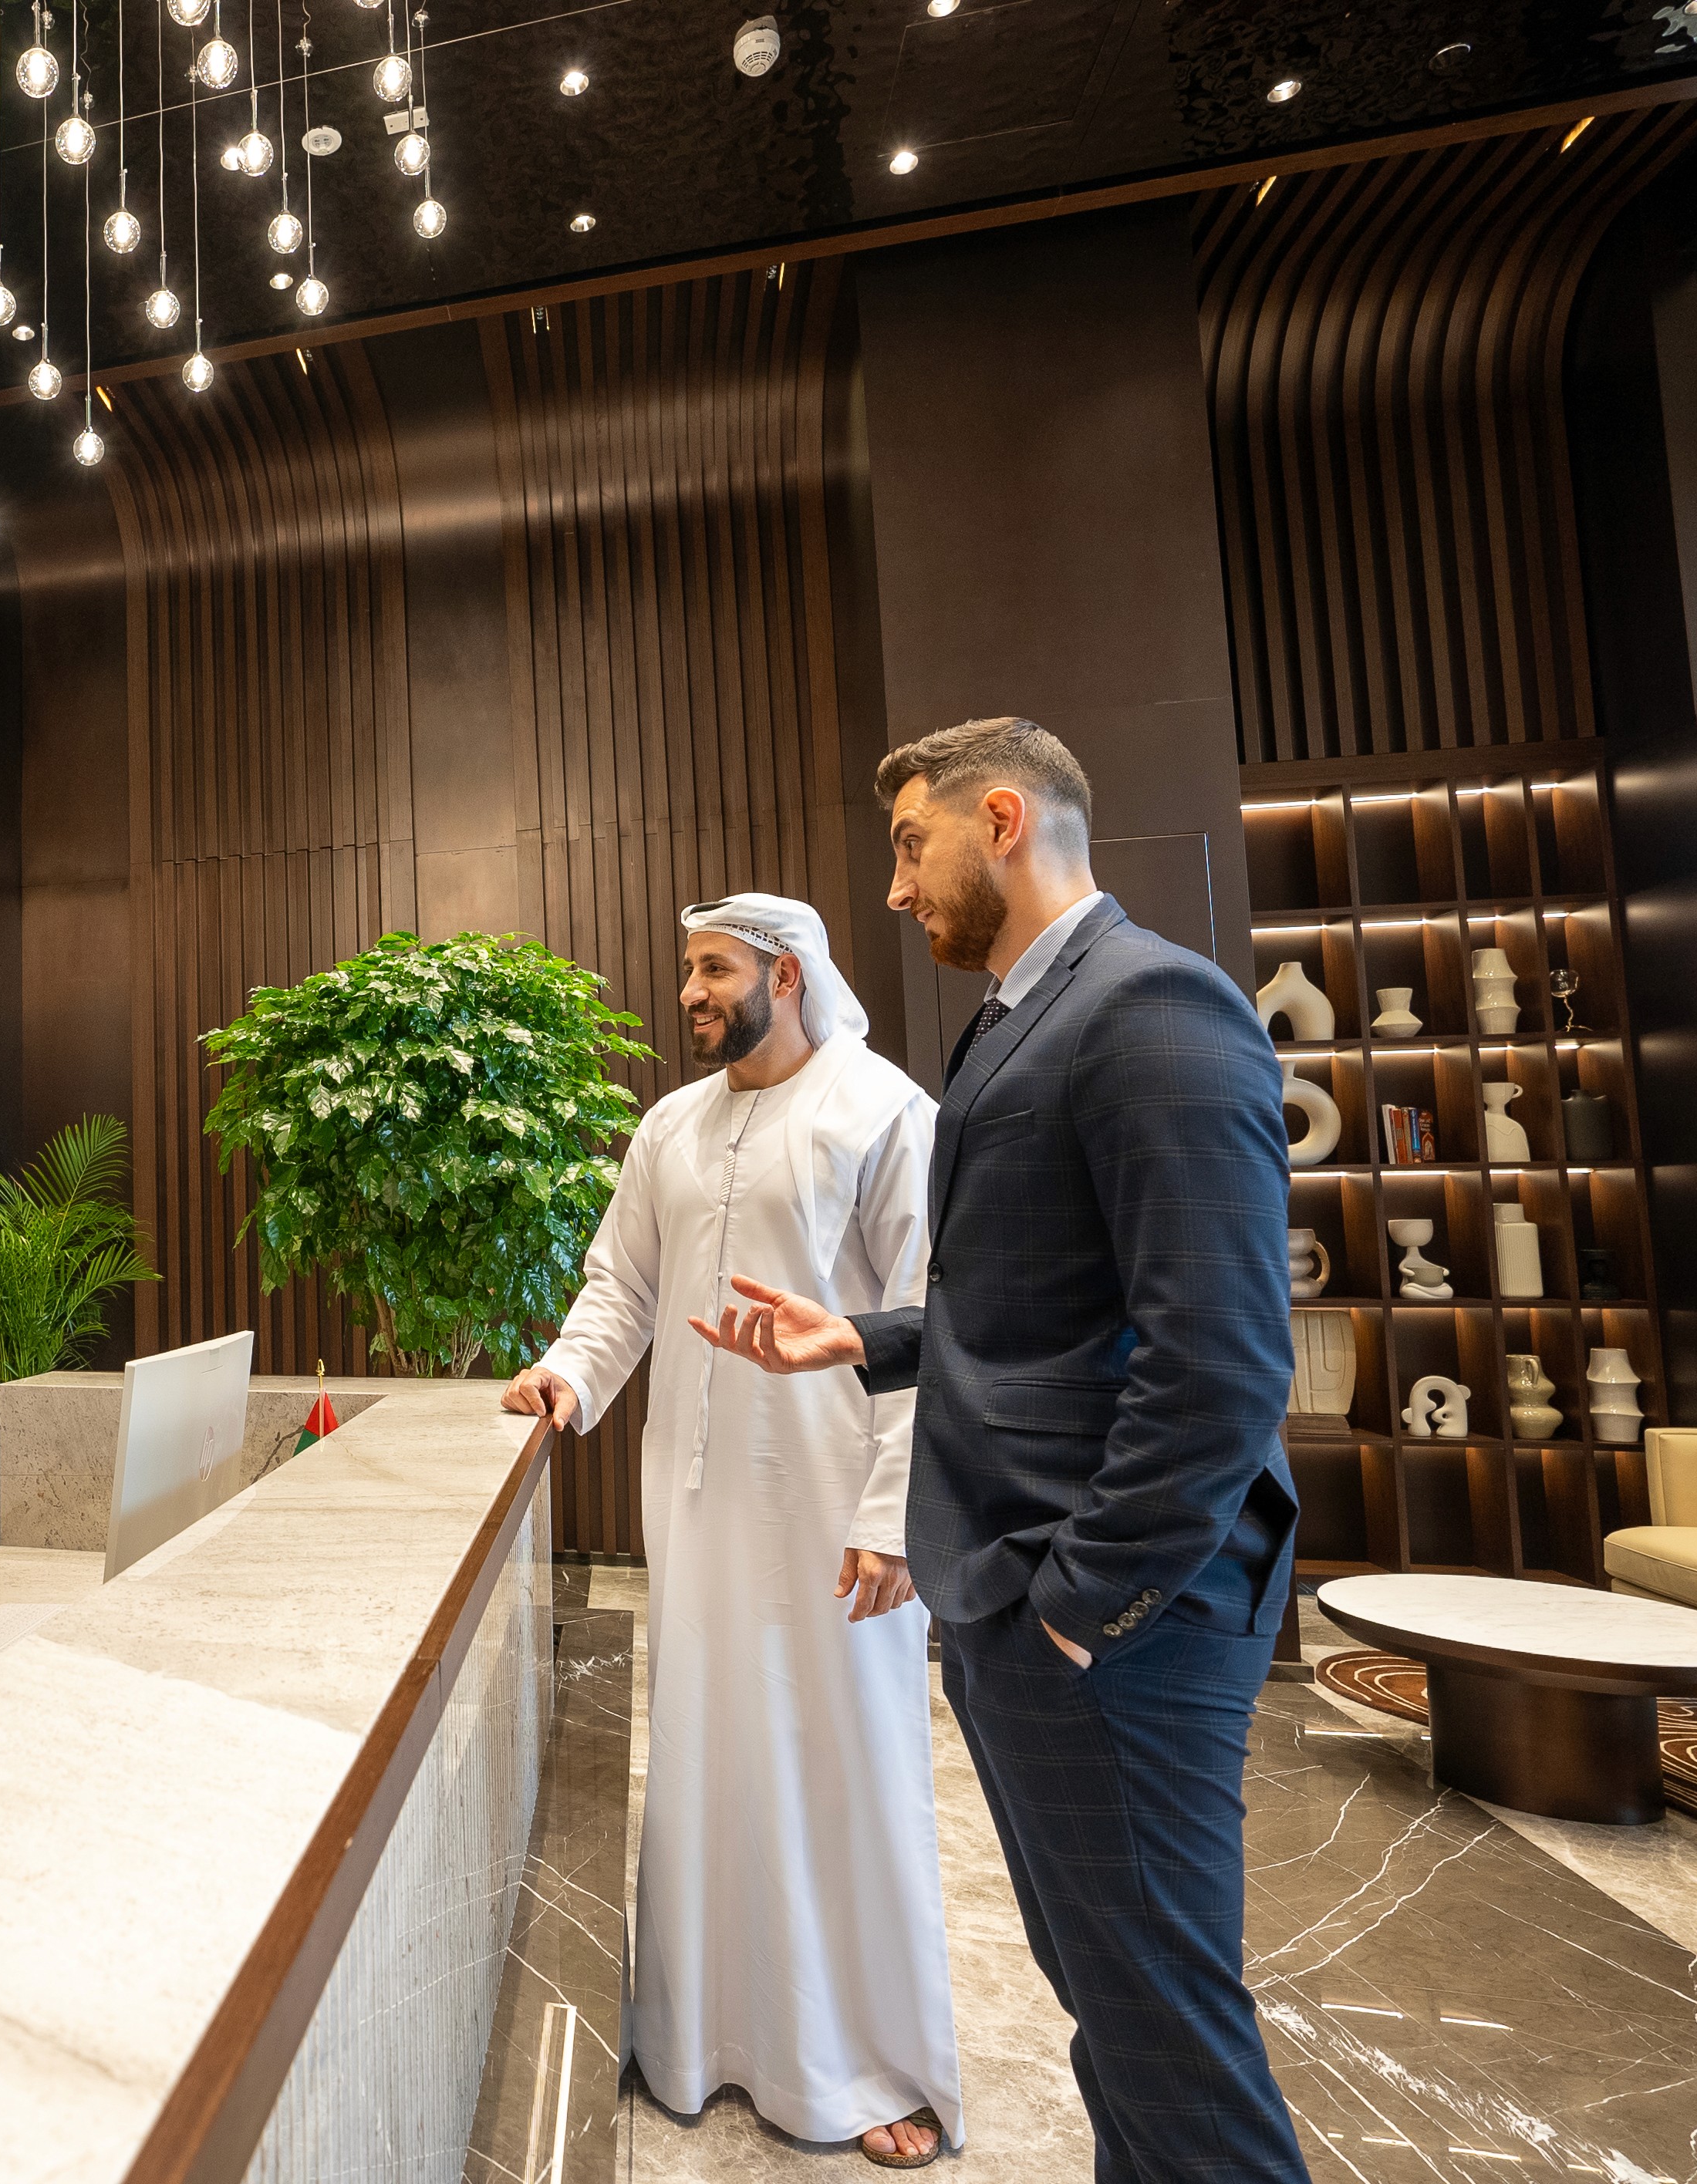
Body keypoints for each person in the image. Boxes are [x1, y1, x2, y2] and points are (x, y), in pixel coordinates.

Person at [693, 719, 1306, 2184]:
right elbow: (1032, 1297)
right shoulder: (1022, 1013)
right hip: (1033, 1602)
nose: (895, 891)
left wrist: (1084, 1607)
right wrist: (867, 1339)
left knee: (1166, 2023)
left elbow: (1218, 1363)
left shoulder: (1156, 1006)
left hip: (1116, 1626)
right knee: (1117, 2011)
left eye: (913, 843)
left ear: (1008, 819)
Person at [504, 894, 959, 2169]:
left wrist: (896, 1514)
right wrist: (568, 1378)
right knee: (708, 1758)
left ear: (789, 974)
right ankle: (699, 2040)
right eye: (688, 971)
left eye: (714, 970)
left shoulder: (884, 1112)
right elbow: (623, 1287)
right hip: (697, 1506)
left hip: (837, 1510)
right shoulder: (672, 1125)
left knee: (845, 1767)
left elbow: (936, 1322)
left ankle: (867, 2062)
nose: (692, 992)